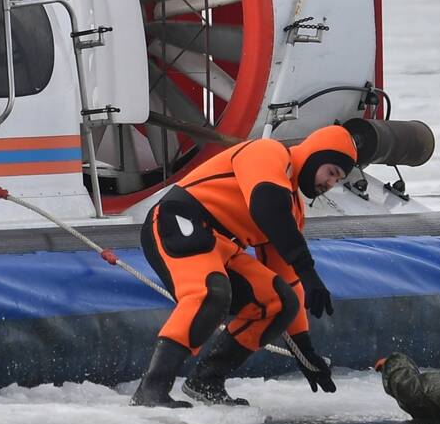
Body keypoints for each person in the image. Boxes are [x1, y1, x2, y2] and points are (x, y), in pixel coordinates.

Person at [131, 125, 358, 408]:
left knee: (278, 301)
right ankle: (151, 390)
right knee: (210, 293)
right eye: (331, 171)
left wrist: (305, 351)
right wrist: (308, 269)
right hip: (179, 221)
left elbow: (287, 281)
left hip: (221, 247)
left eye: (338, 179)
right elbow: (266, 204)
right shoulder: (268, 152)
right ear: (314, 156)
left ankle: (207, 380)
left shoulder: (293, 209)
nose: (331, 183)